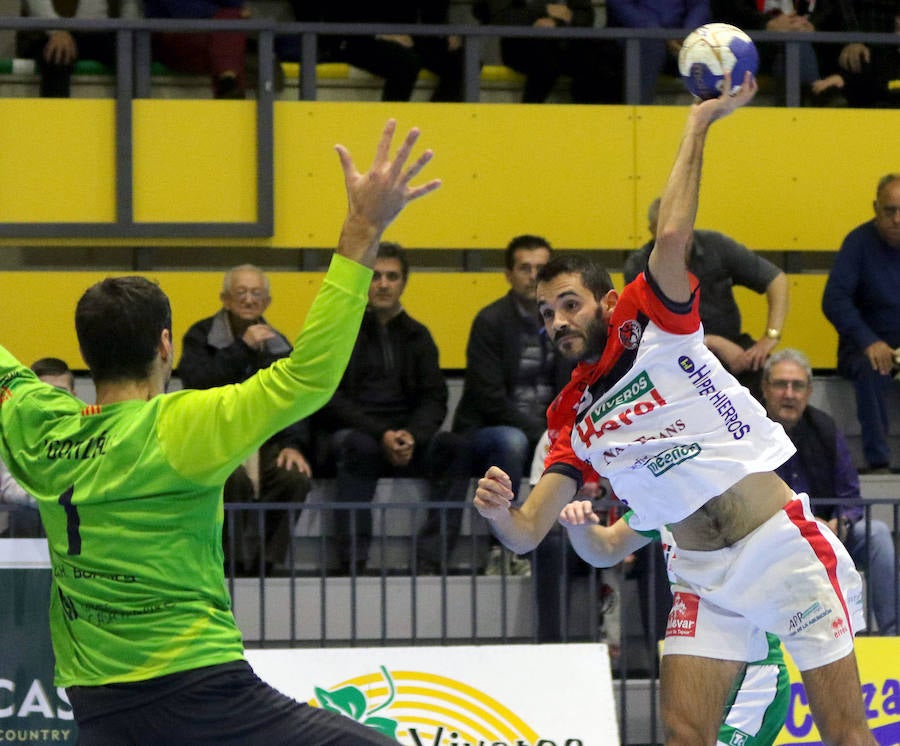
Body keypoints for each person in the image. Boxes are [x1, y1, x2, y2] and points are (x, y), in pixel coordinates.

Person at [0, 118, 439, 744]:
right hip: (198, 691)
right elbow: (307, 377)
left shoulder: (40, 427)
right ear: (165, 345)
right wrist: (362, 230)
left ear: (88, 355)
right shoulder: (181, 426)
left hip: (95, 705)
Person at [474, 75, 876, 745]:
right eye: (546, 313)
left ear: (603, 304)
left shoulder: (649, 319)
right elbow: (524, 531)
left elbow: (671, 235)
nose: (556, 321)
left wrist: (699, 125)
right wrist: (498, 513)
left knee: (845, 734)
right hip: (702, 576)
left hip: (777, 546)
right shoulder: (571, 415)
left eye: (569, 303)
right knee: (685, 733)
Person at [558, 499, 790, 746]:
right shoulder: (663, 501)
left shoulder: (735, 493)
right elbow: (607, 547)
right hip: (696, 675)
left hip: (751, 677)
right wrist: (579, 528)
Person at [312, 241, 472, 575]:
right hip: (359, 436)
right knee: (357, 447)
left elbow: (434, 397)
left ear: (403, 283)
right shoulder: (343, 332)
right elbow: (330, 397)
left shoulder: (419, 336)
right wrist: (381, 433)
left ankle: (432, 558)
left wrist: (413, 435)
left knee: (455, 448)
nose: (383, 284)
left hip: (409, 438)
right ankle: (352, 562)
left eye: (392, 276)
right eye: (375, 276)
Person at [178, 265, 315, 576]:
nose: (249, 300)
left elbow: (293, 400)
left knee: (293, 477)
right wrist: (243, 348)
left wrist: (294, 445)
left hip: (263, 437)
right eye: (241, 293)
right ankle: (231, 562)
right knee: (231, 480)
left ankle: (268, 561)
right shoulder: (200, 336)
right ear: (225, 299)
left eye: (257, 294)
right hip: (214, 437)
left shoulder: (279, 344)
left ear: (267, 302)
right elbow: (197, 383)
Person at [453, 234, 570, 576]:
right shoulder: (490, 321)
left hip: (546, 430)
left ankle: (564, 545)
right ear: (508, 274)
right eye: (525, 268)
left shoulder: (563, 322)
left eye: (541, 268)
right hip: (488, 430)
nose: (533, 276)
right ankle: (503, 548)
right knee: (512, 442)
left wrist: (557, 433)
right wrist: (543, 435)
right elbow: (489, 398)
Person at [763, 347, 898, 634]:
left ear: (809, 392)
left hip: (829, 536)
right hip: (770, 539)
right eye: (780, 384)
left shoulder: (824, 427)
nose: (789, 393)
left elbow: (850, 497)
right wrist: (805, 526)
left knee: (876, 535)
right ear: (765, 388)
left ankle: (891, 638)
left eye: (797, 386)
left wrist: (841, 522)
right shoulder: (750, 431)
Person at [624, 196, 789, 401]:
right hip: (675, 357)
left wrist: (770, 337)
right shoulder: (639, 267)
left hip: (734, 349)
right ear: (652, 231)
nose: (677, 239)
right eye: (668, 233)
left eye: (683, 229)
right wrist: (712, 342)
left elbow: (776, 280)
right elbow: (650, 336)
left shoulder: (716, 246)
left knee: (774, 379)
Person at [822, 173, 900, 473]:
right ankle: (878, 461)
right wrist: (869, 341)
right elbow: (834, 300)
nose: (896, 218)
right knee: (871, 369)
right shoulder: (858, 243)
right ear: (875, 208)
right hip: (864, 348)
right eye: (888, 210)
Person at [286, 0, 464, 102]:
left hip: (406, 35)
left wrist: (444, 31)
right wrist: (379, 33)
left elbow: (431, 11)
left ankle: (433, 124)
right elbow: (335, 14)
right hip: (355, 37)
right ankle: (391, 131)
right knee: (405, 63)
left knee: (463, 62)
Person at [471, 0, 623, 104]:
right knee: (545, 56)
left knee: (607, 56)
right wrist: (543, 11)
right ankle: (527, 117)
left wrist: (561, 21)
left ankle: (598, 123)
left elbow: (585, 16)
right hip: (521, 44)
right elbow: (498, 16)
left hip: (565, 42)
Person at [0, 357, 77, 537]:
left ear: (74, 394)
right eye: (43, 393)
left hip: (77, 540)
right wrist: (58, 496)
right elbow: (7, 487)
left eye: (59, 392)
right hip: (20, 539)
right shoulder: (9, 432)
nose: (51, 401)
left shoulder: (92, 432)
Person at [18, 0, 138, 98]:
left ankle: (131, 120)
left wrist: (127, 34)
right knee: (58, 54)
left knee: (128, 52)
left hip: (97, 33)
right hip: (47, 34)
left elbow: (130, 4)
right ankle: (56, 122)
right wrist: (56, 30)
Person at [605, 0, 709, 105]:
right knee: (651, 48)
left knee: (713, 46)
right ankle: (639, 112)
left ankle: (711, 112)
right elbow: (622, 6)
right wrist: (660, 34)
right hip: (636, 34)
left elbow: (699, 5)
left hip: (680, 36)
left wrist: (688, 34)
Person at [143, 0, 249, 99]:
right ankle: (228, 82)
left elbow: (236, 3)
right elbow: (185, 13)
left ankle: (228, 81)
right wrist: (219, 12)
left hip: (208, 42)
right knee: (229, 20)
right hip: (169, 41)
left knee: (231, 22)